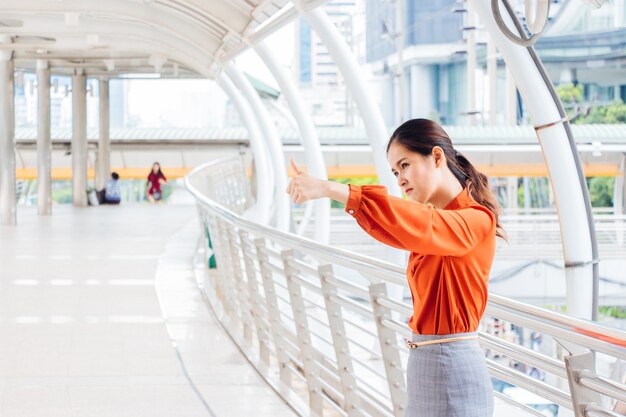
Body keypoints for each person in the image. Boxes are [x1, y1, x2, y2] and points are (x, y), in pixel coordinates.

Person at [287, 118, 505, 417]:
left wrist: (329, 189)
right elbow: (400, 227)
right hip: (432, 360)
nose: (400, 179)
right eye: (394, 171)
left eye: (405, 165)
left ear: (437, 157)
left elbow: (416, 223)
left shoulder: (475, 219)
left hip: (451, 364)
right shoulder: (436, 225)